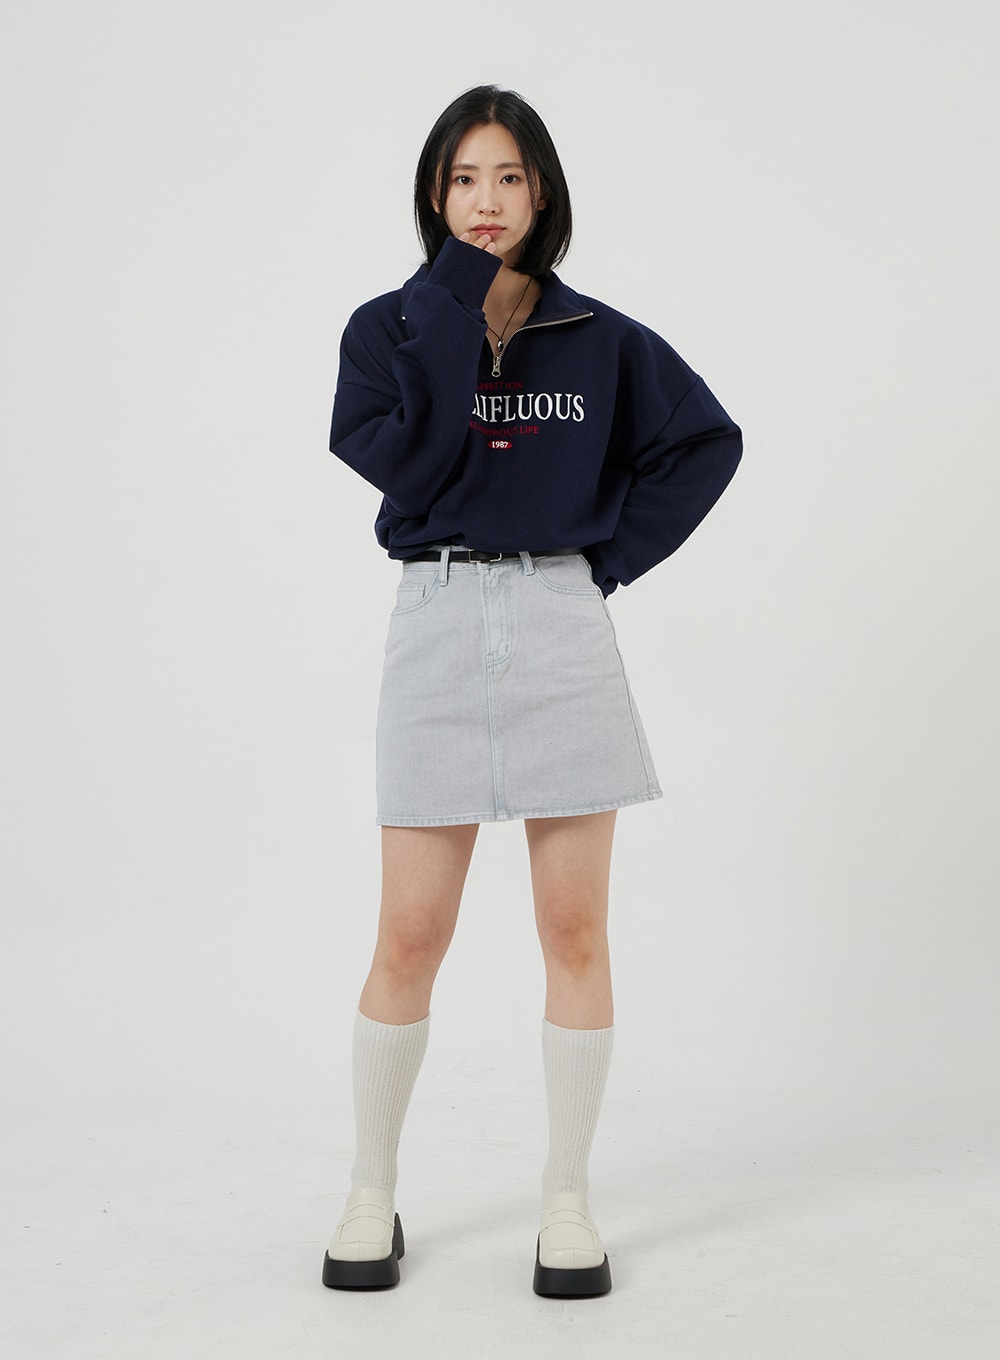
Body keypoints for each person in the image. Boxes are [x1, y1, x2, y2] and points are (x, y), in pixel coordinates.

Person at [322, 84, 742, 1298]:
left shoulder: (601, 337)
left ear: (540, 189)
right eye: (464, 178)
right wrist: (452, 299)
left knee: (574, 929)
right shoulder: (387, 329)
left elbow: (704, 442)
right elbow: (404, 464)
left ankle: (567, 1196)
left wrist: (600, 558)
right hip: (437, 620)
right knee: (410, 933)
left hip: (561, 625)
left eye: (508, 176)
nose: (487, 200)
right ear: (434, 193)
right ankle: (369, 1189)